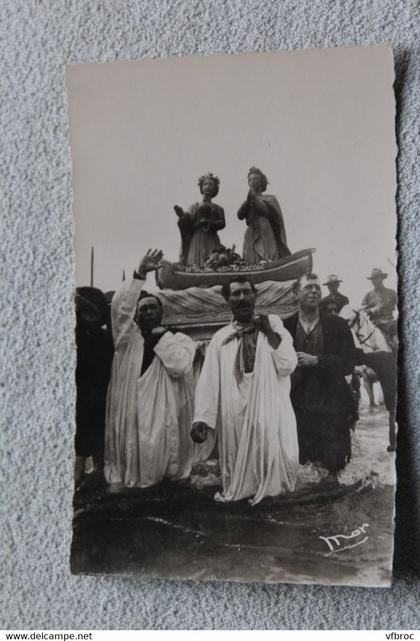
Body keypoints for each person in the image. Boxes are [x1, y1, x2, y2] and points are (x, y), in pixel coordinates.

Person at [191, 276, 299, 505]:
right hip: (233, 411)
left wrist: (269, 333)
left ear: (255, 295)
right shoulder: (221, 338)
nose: (242, 298)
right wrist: (202, 418)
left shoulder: (273, 325)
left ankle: (273, 499)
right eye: (236, 294)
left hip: (270, 406)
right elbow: (209, 379)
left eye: (246, 293)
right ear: (227, 300)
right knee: (237, 463)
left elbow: (288, 365)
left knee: (273, 469)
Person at [104, 249, 197, 490]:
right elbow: (120, 310)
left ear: (161, 313)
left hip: (164, 418)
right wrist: (139, 274)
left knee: (166, 474)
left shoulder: (179, 340)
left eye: (151, 308)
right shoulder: (127, 342)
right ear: (136, 316)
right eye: (142, 309)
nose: (147, 312)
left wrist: (162, 338)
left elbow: (180, 366)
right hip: (131, 415)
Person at [284, 274, 358, 481]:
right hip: (298, 409)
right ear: (295, 293)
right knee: (303, 471)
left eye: (317, 287)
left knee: (336, 470)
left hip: (332, 408)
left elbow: (348, 362)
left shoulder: (337, 325)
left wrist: (317, 360)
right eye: (308, 287)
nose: (315, 291)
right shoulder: (285, 327)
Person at [75, 287, 114, 486]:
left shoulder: (105, 339)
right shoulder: (73, 336)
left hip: (99, 399)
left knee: (98, 443)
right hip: (79, 398)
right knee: (79, 446)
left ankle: (97, 476)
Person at [237, 167, 290, 265]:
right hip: (251, 232)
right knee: (252, 261)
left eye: (255, 179)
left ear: (261, 181)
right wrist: (248, 201)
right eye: (250, 180)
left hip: (265, 231)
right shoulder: (248, 201)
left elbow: (267, 212)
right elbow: (240, 215)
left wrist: (255, 199)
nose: (252, 182)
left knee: (266, 259)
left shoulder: (270, 198)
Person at [174, 173, 225, 265]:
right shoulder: (194, 206)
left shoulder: (218, 208)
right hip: (197, 239)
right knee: (195, 263)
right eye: (205, 184)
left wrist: (209, 222)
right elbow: (187, 220)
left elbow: (222, 223)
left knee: (213, 264)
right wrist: (182, 216)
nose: (208, 187)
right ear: (201, 188)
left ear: (215, 189)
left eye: (211, 185)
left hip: (212, 238)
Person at [361, 268, 397, 343]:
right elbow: (362, 310)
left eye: (376, 278)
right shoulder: (368, 295)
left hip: (388, 323)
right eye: (372, 279)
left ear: (382, 278)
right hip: (373, 325)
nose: (374, 281)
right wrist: (371, 310)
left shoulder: (391, 293)